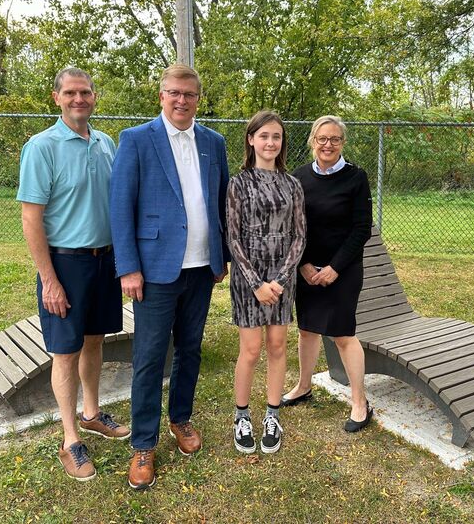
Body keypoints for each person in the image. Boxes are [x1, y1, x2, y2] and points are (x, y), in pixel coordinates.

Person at [109, 64, 230, 491]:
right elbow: (120, 208)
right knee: (148, 357)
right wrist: (128, 267)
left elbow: (220, 204)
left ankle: (181, 419)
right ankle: (143, 444)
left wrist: (222, 257)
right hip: (155, 271)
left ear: (199, 99)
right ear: (161, 96)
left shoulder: (213, 143)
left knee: (191, 350)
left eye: (189, 94)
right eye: (173, 93)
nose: (181, 101)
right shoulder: (137, 140)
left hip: (201, 270)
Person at [17, 67, 130, 482]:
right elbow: (31, 218)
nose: (79, 99)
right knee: (65, 350)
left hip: (105, 261)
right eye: (71, 93)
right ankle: (70, 441)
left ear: (94, 97)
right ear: (57, 97)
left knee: (95, 341)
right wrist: (49, 278)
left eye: (85, 92)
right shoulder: (41, 147)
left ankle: (92, 414)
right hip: (65, 263)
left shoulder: (105, 143)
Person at [281, 115, 374, 432]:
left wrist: (335, 268)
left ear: (342, 143)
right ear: (312, 141)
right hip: (306, 270)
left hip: (343, 270)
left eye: (335, 139)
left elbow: (361, 229)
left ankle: (360, 402)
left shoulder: (356, 178)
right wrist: (304, 265)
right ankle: (303, 385)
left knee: (343, 335)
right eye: (322, 138)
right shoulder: (298, 178)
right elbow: (293, 227)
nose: (328, 144)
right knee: (307, 330)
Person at [227, 110, 306, 455]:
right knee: (251, 350)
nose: (270, 142)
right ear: (251, 139)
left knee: (276, 346)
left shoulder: (292, 184)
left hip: (282, 279)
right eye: (264, 136)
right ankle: (241, 416)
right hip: (249, 280)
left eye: (276, 136)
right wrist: (257, 283)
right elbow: (232, 238)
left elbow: (300, 237)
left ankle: (273, 415)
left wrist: (280, 279)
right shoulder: (238, 183)